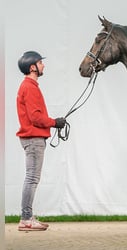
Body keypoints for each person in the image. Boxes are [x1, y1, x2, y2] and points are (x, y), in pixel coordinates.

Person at [16, 51, 66, 231]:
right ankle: (26, 218)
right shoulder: (29, 87)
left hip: (32, 138)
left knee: (31, 178)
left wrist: (53, 123)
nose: (43, 65)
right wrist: (55, 123)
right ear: (32, 67)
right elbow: (35, 117)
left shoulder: (29, 86)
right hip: (34, 138)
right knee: (31, 178)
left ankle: (27, 217)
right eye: (40, 63)